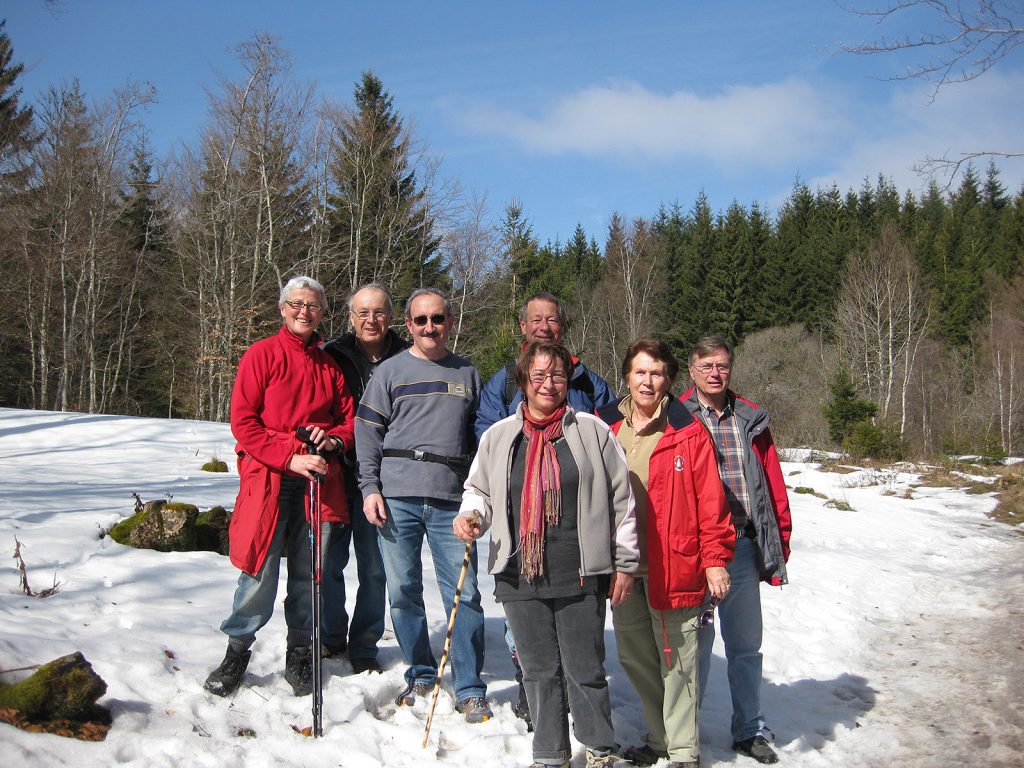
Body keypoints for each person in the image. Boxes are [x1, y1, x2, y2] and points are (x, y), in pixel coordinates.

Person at [455, 340, 638, 768]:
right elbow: (478, 490)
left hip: (580, 570)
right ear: (522, 381)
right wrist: (472, 516)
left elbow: (622, 500)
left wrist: (625, 561)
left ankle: (599, 748)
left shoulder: (593, 431)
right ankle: (550, 754)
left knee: (585, 668)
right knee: (538, 671)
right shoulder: (501, 436)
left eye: (557, 375)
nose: (548, 384)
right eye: (538, 376)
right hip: (519, 573)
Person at [204, 276, 355, 698]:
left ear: (323, 313)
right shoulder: (260, 356)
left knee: (311, 575)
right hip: (270, 480)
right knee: (258, 571)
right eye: (296, 304)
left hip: (318, 486)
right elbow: (244, 423)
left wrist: (333, 441)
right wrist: (289, 454)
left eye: (313, 305)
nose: (304, 312)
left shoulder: (330, 366)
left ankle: (300, 653)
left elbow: (347, 420)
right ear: (282, 308)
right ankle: (236, 653)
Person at [474, 291, 616, 722]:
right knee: (525, 625)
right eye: (535, 319)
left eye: (552, 320)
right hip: (523, 524)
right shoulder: (505, 380)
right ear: (522, 326)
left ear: (564, 325)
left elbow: (612, 433)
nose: (543, 326)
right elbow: (487, 436)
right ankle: (531, 691)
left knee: (578, 630)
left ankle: (580, 709)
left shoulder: (588, 382)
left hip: (576, 524)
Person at [355, 287, 491, 723]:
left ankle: (470, 688)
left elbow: (482, 440)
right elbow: (367, 434)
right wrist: (369, 488)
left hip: (453, 500)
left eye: (437, 319)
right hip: (397, 498)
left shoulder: (468, 373)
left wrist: (481, 497)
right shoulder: (390, 372)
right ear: (409, 325)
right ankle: (420, 673)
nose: (429, 327)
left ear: (449, 322)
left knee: (464, 594)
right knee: (403, 592)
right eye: (420, 320)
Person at [597, 339, 734, 768]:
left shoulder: (688, 430)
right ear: (626, 376)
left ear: (670, 379)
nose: (648, 381)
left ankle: (683, 753)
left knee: (678, 664)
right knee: (635, 659)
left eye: (656, 373)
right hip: (623, 567)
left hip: (674, 564)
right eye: (640, 372)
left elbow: (711, 501)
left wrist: (714, 560)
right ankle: (660, 740)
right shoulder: (605, 427)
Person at [682, 335, 792, 765]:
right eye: (706, 365)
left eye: (722, 365)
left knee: (746, 646)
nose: (714, 373)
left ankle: (748, 729)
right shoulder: (677, 415)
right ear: (691, 371)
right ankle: (684, 732)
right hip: (696, 550)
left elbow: (772, 482)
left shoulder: (750, 418)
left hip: (742, 548)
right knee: (696, 644)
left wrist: (779, 538)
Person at [321, 282, 408, 674]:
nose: (371, 320)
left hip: (384, 478)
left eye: (379, 312)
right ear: (351, 317)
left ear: (390, 317)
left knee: (374, 566)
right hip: (337, 472)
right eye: (363, 313)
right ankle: (331, 635)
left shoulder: (409, 355)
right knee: (330, 560)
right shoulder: (333, 355)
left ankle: (364, 644)